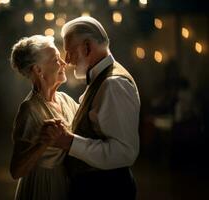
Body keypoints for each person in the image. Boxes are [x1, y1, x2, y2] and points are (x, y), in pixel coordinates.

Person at [43, 16, 141, 199]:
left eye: (70, 51)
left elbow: (124, 153)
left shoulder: (113, 84)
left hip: (106, 190)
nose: (67, 60)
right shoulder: (102, 79)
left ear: (87, 47)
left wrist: (69, 142)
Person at [9, 35, 79, 200]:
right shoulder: (30, 110)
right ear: (38, 70)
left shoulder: (66, 100)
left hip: (67, 183)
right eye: (56, 59)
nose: (64, 63)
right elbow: (16, 170)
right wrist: (43, 142)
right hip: (42, 187)